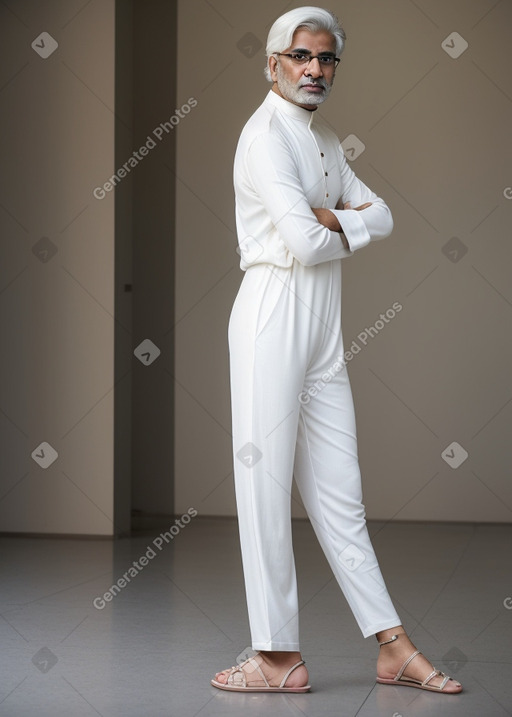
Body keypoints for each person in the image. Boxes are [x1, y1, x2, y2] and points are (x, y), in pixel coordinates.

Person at [211, 6, 463, 695]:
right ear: (273, 62)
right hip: (271, 310)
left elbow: (385, 212)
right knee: (263, 486)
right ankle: (275, 653)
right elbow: (307, 242)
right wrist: (342, 222)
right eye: (301, 56)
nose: (315, 69)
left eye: (326, 60)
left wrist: (339, 219)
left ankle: (392, 644)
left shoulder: (323, 140)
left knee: (341, 490)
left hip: (322, 320)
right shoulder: (265, 137)